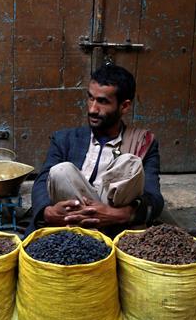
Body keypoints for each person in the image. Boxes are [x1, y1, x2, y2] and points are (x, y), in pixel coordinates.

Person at [29, 64, 164, 235]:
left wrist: (118, 215)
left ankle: (101, 237)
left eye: (102, 101)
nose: (92, 109)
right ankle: (87, 236)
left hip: (114, 224)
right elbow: (41, 182)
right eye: (90, 98)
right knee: (61, 170)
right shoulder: (65, 139)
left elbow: (154, 198)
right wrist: (48, 212)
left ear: (124, 106)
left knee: (129, 162)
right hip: (70, 221)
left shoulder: (143, 142)